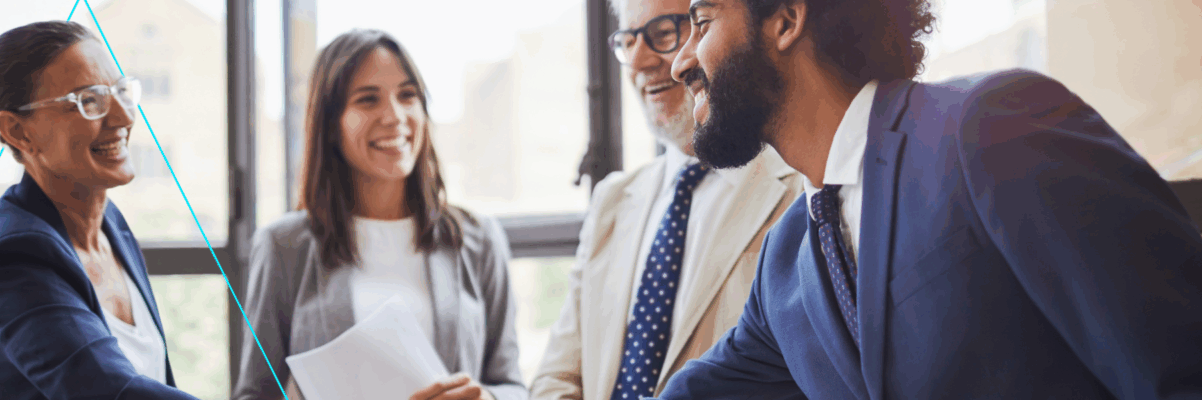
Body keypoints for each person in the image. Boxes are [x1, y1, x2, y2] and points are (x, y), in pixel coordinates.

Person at [647, 0, 1202, 398]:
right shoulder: (784, 263)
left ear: (787, 19)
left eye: (701, 21)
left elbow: (1180, 365)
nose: (680, 62)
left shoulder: (987, 126)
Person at [231, 29, 526, 400]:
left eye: (408, 96)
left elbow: (513, 384)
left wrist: (487, 399)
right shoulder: (283, 246)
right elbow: (253, 394)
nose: (394, 116)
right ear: (332, 125)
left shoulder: (479, 238)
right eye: (368, 100)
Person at [529, 0, 802, 398]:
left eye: (661, 34)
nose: (638, 61)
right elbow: (557, 377)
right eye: (628, 40)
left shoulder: (799, 190)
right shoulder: (612, 200)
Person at [0, 21, 197, 399]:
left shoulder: (110, 225)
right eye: (89, 100)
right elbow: (109, 390)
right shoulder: (13, 255)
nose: (123, 117)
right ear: (19, 132)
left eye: (121, 91)